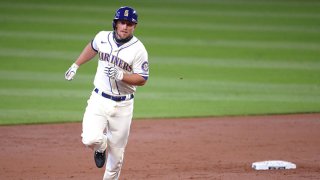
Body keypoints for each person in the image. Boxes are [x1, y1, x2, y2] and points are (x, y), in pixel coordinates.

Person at [64, 6, 149, 180]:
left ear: (135, 27)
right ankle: (101, 147)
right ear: (116, 23)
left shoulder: (139, 49)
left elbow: (142, 78)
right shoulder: (102, 37)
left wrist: (121, 76)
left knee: (116, 158)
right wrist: (76, 64)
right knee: (90, 139)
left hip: (123, 106)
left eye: (129, 24)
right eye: (122, 23)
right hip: (99, 100)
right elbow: (92, 47)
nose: (125, 27)